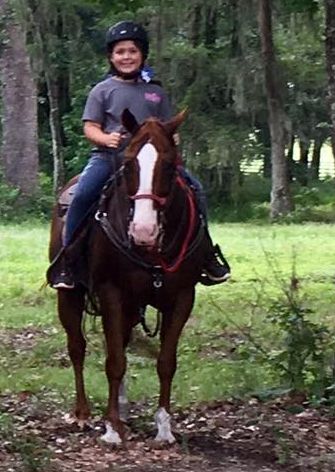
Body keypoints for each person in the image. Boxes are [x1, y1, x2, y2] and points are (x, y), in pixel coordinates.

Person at [47, 20, 231, 290]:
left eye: (132, 51)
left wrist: (171, 141)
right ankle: (68, 259)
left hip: (153, 163)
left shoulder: (155, 92)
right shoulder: (102, 90)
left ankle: (205, 254)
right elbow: (90, 127)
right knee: (84, 193)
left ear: (142, 54)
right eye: (120, 52)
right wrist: (105, 138)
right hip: (109, 158)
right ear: (111, 57)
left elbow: (168, 127)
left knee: (196, 189)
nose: (127, 57)